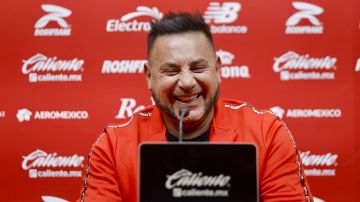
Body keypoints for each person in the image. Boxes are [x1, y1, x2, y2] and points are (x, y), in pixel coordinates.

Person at [78, 12, 313, 202]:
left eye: (199, 68)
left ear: (218, 70)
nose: (187, 82)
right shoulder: (112, 145)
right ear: (149, 76)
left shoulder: (266, 133)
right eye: (171, 71)